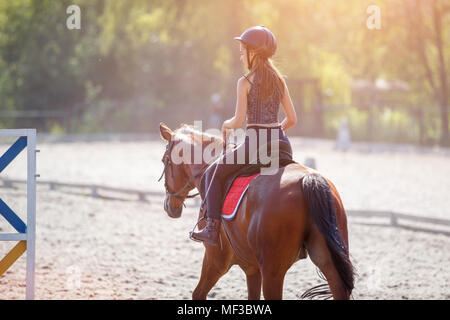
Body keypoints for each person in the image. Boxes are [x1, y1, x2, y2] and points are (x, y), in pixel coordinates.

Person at [190, 25, 298, 245]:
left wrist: (226, 125)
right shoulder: (280, 81)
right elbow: (293, 119)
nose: (240, 55)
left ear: (254, 52)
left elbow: (238, 121)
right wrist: (274, 134)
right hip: (282, 144)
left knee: (212, 172)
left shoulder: (245, 82)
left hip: (254, 145)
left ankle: (211, 227)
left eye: (243, 50)